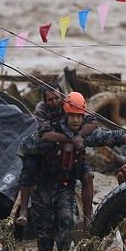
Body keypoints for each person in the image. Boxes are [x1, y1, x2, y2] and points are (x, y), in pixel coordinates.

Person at [30, 91, 126, 251]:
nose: (75, 120)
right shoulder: (50, 131)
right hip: (44, 186)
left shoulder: (83, 134)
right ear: (64, 113)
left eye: (79, 116)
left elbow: (113, 137)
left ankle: (69, 249)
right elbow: (29, 154)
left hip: (65, 185)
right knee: (44, 236)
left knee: (66, 220)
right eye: (72, 116)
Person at [16, 84, 97, 226]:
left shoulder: (70, 102)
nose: (54, 102)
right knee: (29, 168)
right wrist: (72, 138)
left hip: (66, 149)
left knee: (87, 175)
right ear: (45, 101)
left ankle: (88, 219)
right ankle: (23, 210)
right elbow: (46, 135)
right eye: (50, 99)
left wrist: (78, 136)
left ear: (63, 96)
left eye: (57, 98)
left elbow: (92, 122)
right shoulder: (41, 109)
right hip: (42, 148)